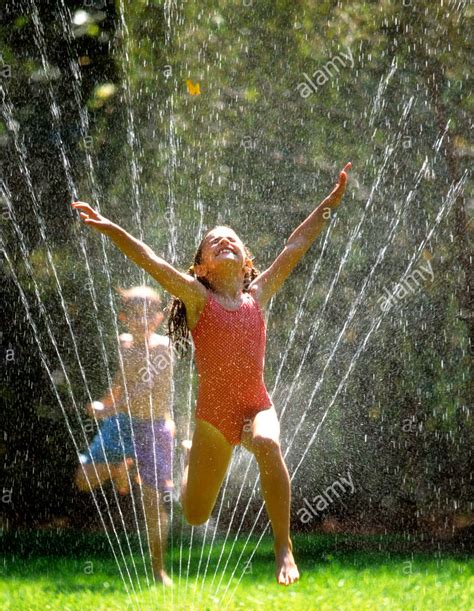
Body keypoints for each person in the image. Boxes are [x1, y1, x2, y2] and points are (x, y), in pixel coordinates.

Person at [72, 162, 351, 585]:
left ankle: (283, 546)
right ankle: (187, 458)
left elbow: (296, 246)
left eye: (231, 239)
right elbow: (150, 260)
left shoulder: (259, 295)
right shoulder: (198, 299)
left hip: (256, 404)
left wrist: (329, 204)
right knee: (195, 511)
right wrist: (111, 228)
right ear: (200, 268)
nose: (222, 241)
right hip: (213, 421)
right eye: (212, 241)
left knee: (267, 443)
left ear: (245, 261)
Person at [75, 285, 175, 587]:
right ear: (124, 318)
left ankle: (158, 570)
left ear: (158, 319)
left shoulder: (163, 349)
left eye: (148, 316)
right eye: (135, 317)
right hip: (123, 421)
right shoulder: (124, 344)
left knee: (151, 501)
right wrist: (104, 403)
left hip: (154, 427)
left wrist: (108, 409)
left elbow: (143, 389)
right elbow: (121, 383)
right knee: (83, 479)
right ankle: (123, 465)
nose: (142, 322)